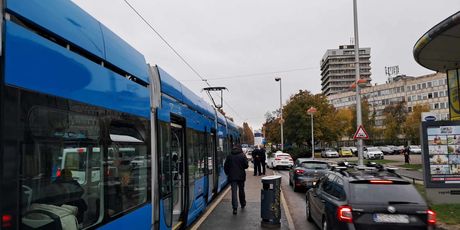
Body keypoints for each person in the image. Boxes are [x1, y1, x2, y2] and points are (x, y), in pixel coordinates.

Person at [224, 145, 249, 215]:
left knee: (234, 192)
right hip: (241, 176)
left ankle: (235, 208)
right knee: (241, 190)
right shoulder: (242, 155)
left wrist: (227, 173)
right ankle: (243, 203)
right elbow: (246, 166)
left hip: (232, 176)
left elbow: (226, 166)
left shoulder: (229, 156)